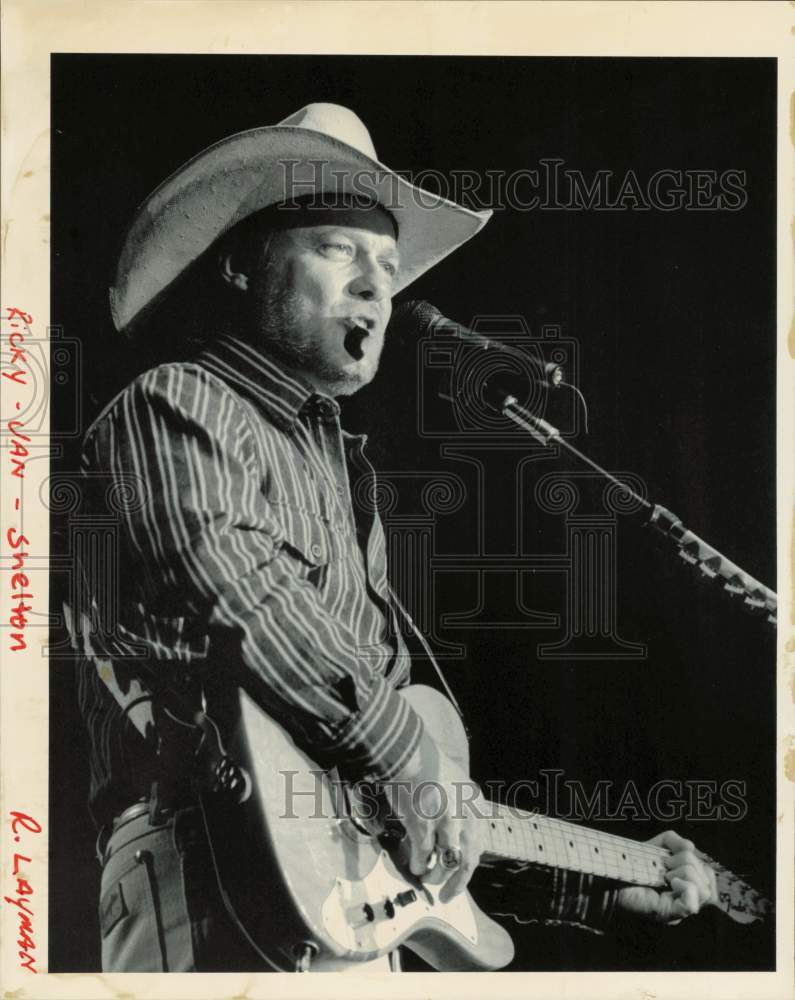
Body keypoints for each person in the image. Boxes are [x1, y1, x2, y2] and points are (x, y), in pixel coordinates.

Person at [72, 102, 719, 973]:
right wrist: (403, 754)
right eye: (338, 249)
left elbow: (380, 814)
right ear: (237, 262)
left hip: (336, 917)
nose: (379, 285)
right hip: (205, 877)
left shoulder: (345, 472)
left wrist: (596, 886)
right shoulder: (179, 402)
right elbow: (231, 584)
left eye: (387, 264)